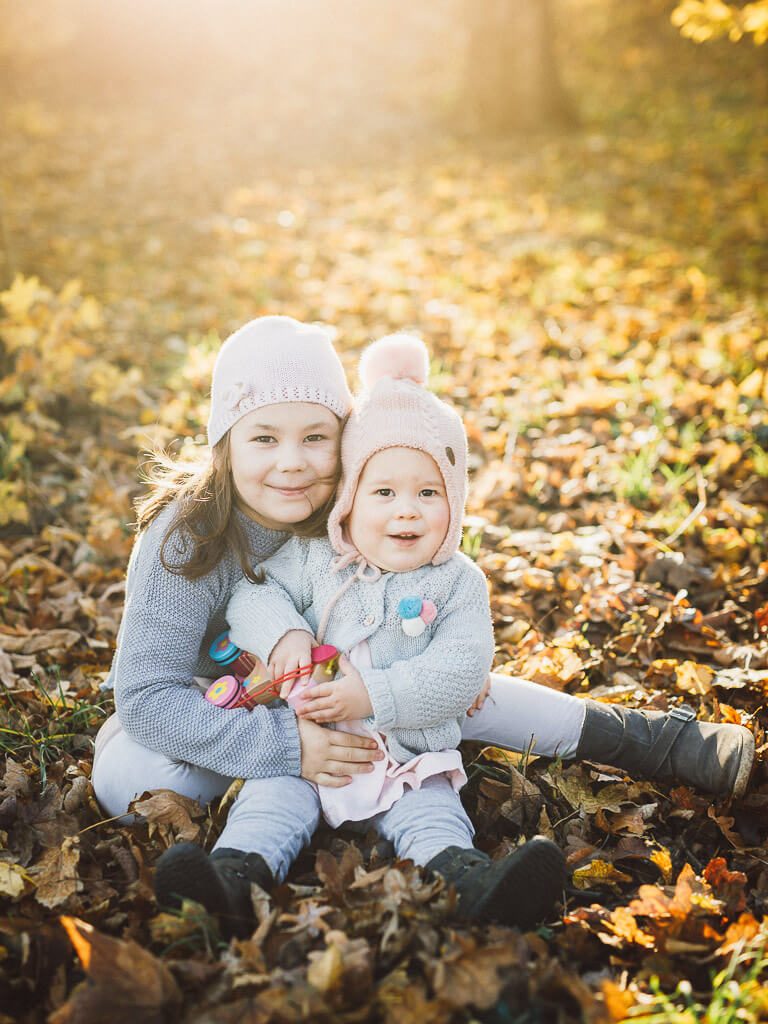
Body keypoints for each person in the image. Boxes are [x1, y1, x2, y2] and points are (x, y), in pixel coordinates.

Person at [91, 315, 753, 933]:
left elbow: (421, 593)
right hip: (225, 707)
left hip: (357, 689)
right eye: (264, 438)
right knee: (140, 784)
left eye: (316, 437)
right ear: (225, 444)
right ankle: (250, 851)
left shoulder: (352, 502)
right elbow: (147, 697)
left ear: (346, 444)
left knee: (468, 692)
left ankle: (661, 742)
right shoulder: (187, 536)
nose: (292, 461)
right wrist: (289, 745)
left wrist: (425, 681)